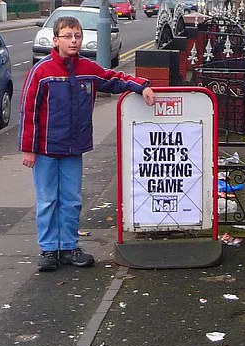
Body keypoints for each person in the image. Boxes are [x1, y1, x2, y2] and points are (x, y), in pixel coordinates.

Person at [19, 16, 155, 272]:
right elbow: (29, 111)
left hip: (73, 148)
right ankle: (49, 249)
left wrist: (141, 86)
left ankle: (69, 247)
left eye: (77, 36)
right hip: (46, 149)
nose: (73, 41)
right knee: (48, 200)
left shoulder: (87, 68)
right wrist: (29, 148)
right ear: (56, 39)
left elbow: (113, 79)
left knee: (71, 200)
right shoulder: (42, 71)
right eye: (68, 36)